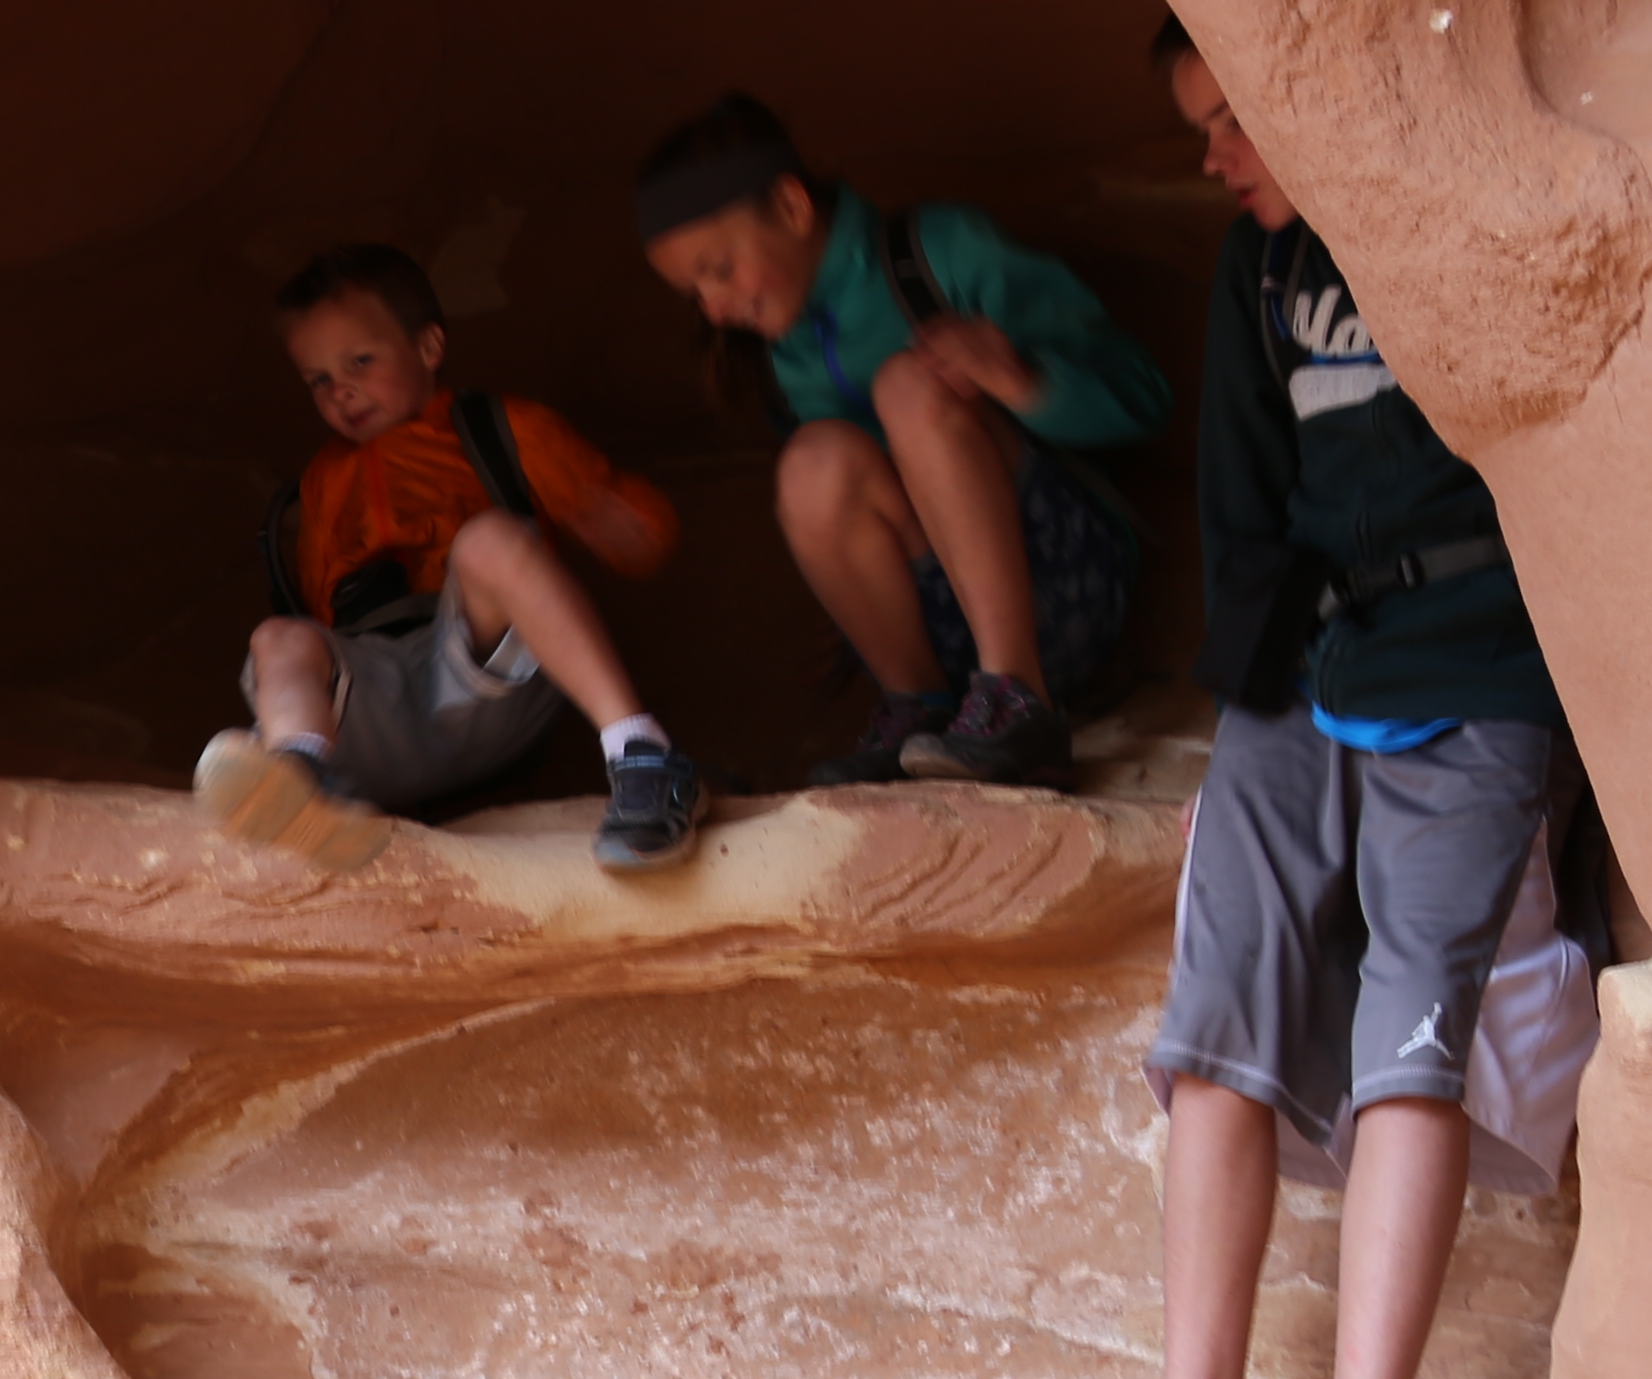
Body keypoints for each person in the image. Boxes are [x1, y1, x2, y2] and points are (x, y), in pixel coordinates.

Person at [1024, 20, 1583, 1379]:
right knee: (1217, 1031)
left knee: (1418, 1025)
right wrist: (1244, 726)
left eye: (1233, 120)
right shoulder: (1257, 276)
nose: (1215, 155)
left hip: (1478, 673)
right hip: (1304, 679)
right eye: (1198, 125)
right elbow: (1243, 498)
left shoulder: (1452, 234)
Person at [633, 94, 1168, 790]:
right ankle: (918, 713)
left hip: (1069, 587)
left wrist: (1020, 379)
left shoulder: (937, 253)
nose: (713, 307)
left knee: (909, 384)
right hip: (946, 643)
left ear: (793, 209)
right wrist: (856, 605)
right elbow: (853, 500)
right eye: (692, 293)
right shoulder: (779, 359)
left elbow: (1143, 397)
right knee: (812, 461)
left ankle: (1019, 704)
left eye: (720, 268)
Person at [197, 243, 709, 875]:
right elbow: (319, 612)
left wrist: (623, 527)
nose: (343, 390)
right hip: (376, 708)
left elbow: (638, 529)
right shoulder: (318, 483)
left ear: (429, 349)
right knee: (277, 638)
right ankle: (304, 777)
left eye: (360, 360)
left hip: (483, 680)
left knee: (489, 542)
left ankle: (642, 755)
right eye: (319, 380)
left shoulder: (498, 428)